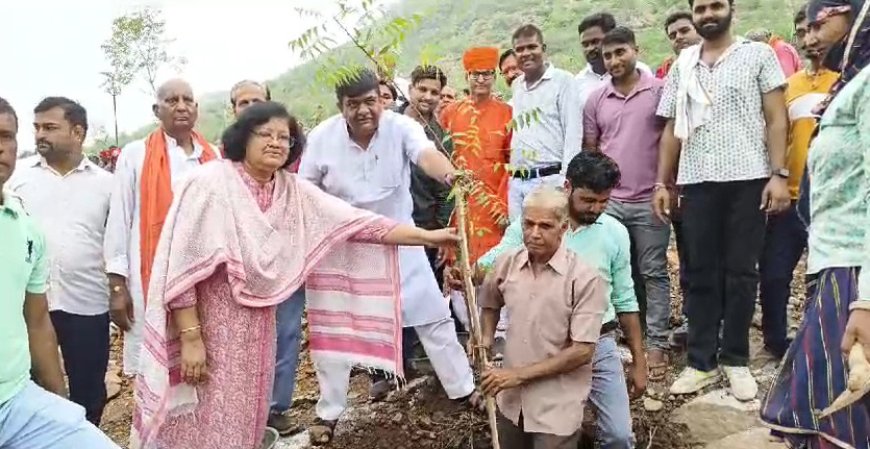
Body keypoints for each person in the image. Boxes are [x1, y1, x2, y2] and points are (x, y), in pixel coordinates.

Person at [129, 100, 464, 449]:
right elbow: (183, 266)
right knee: (202, 412)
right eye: (266, 134)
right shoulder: (210, 183)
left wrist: (426, 236)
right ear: (244, 137)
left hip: (258, 326)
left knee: (247, 411)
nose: (276, 142)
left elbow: (358, 223)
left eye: (284, 137)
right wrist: (191, 338)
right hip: (208, 323)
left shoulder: (290, 189)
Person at [299, 69, 479, 445]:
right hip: (345, 244)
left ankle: (463, 389)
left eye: (370, 101)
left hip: (402, 238)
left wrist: (452, 177)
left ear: (381, 99)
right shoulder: (321, 138)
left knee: (433, 316)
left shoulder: (400, 127)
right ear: (341, 107)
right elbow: (305, 188)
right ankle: (329, 412)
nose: (364, 110)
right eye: (354, 105)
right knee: (336, 332)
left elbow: (426, 155)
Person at [457, 151, 644, 449]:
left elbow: (625, 298)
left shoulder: (615, 233)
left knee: (618, 437)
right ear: (568, 187)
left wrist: (639, 360)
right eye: (588, 200)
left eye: (603, 201)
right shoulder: (533, 223)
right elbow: (495, 266)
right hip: (540, 341)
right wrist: (467, 270)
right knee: (529, 426)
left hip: (599, 340)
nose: (595, 208)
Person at [652, 0, 790, 401]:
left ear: (730, 9)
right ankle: (700, 362)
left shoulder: (757, 55)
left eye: (716, 5)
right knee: (699, 273)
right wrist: (664, 183)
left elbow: (776, 118)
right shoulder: (684, 63)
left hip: (747, 178)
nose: (708, 14)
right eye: (701, 8)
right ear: (693, 14)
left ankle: (735, 359)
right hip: (697, 182)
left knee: (742, 272)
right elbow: (672, 129)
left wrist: (778, 175)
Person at [761, 0, 870, 446]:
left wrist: (865, 302)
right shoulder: (851, 84)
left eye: (818, 23)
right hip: (835, 266)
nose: (809, 38)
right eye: (803, 29)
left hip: (855, 274)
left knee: (839, 420)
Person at [0, 97, 119, 449]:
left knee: (88, 392)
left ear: (78, 132)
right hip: (40, 314)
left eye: (5, 135)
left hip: (85, 301)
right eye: (36, 128)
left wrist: (60, 411)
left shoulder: (24, 226)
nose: (41, 135)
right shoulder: (23, 181)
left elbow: (118, 242)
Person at [104, 78, 220, 377]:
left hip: (203, 277)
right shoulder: (136, 154)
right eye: (172, 100)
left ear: (196, 108)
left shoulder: (213, 157)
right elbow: (119, 219)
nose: (181, 106)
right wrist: (117, 286)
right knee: (154, 369)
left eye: (187, 99)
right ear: (157, 110)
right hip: (151, 277)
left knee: (201, 358)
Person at [477, 186, 607, 449]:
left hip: (556, 408)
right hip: (510, 402)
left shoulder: (585, 278)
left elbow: (582, 351)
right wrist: (486, 338)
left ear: (564, 227)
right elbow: (490, 302)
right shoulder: (507, 263)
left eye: (545, 226)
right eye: (528, 224)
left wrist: (517, 375)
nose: (534, 233)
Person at [583, 27, 671, 383]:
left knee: (653, 272)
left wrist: (667, 186)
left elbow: (670, 139)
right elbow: (591, 148)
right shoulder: (595, 99)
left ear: (636, 49)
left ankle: (658, 343)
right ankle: (618, 336)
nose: (615, 61)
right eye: (608, 56)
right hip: (612, 203)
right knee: (616, 270)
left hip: (650, 198)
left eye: (621, 52)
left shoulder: (659, 92)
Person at [758, 6, 840, 363]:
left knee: (826, 277)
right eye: (802, 32)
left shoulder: (848, 80)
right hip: (790, 199)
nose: (810, 39)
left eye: (815, 30)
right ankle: (776, 342)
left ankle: (824, 343)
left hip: (834, 201)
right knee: (774, 276)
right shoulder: (788, 86)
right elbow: (776, 138)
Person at [368, 64, 454, 401]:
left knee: (420, 297)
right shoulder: (387, 128)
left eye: (435, 92)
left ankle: (411, 362)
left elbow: (447, 191)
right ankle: (384, 371)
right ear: (412, 89)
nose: (429, 97)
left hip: (427, 230)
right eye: (423, 89)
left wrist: (445, 231)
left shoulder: (442, 139)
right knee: (383, 299)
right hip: (390, 227)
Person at [440, 46, 513, 356]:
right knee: (459, 267)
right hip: (460, 205)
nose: (481, 79)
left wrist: (502, 205)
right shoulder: (451, 113)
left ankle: (501, 336)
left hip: (494, 204)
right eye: (476, 74)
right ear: (466, 76)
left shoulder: (507, 113)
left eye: (487, 74)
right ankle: (472, 334)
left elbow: (511, 163)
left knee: (495, 267)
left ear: (494, 77)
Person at [657, 11, 703, 349]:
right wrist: (665, 183)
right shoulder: (674, 73)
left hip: (722, 182)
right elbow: (669, 132)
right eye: (672, 34)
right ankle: (693, 317)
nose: (679, 38)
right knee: (689, 255)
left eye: (684, 30)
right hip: (681, 184)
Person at [508, 24, 583, 220]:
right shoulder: (517, 85)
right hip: (518, 182)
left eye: (532, 47)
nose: (526, 53)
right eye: (520, 49)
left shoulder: (563, 81)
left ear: (544, 48)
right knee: (519, 243)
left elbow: (573, 133)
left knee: (548, 244)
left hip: (550, 179)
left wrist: (565, 182)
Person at [576, 12, 653, 106]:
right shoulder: (577, 83)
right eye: (585, 45)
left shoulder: (640, 71)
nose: (590, 48)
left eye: (595, 42)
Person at [657, 12, 702, 79]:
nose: (678, 37)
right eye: (672, 36)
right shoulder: (665, 70)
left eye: (684, 31)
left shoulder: (719, 60)